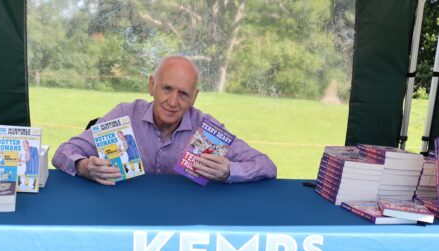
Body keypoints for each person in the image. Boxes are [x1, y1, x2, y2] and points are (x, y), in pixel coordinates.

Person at [53, 56, 277, 185]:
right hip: (124, 214)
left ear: (194, 97)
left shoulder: (207, 128)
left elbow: (267, 165)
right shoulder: (124, 115)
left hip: (184, 221)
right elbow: (64, 151)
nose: (172, 101)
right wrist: (83, 166)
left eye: (183, 94)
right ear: (152, 86)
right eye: (167, 88)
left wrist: (229, 171)